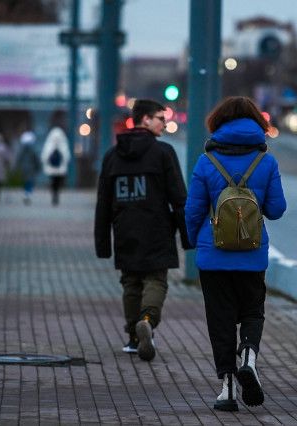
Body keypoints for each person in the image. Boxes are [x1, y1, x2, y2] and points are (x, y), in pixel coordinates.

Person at [184, 96, 287, 411]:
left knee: (221, 320)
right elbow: (277, 209)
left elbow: (193, 210)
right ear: (257, 123)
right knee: (253, 312)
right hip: (252, 255)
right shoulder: (266, 162)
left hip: (213, 257)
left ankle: (228, 390)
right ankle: (248, 358)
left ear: (218, 123)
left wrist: (195, 242)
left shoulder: (206, 161)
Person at [94, 99, 190, 362]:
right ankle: (147, 319)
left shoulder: (112, 156)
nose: (165, 124)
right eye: (161, 118)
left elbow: (103, 203)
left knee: (131, 282)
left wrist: (102, 244)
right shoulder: (163, 153)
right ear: (145, 119)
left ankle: (133, 338)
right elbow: (179, 198)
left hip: (124, 230)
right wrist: (187, 236)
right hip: (157, 230)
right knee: (155, 280)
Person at [41, 126, 70, 206]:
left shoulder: (49, 142)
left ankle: (54, 194)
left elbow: (45, 155)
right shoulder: (63, 142)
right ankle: (56, 194)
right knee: (57, 182)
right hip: (60, 168)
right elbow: (66, 156)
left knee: (53, 182)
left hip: (51, 168)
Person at [15, 130, 41, 205]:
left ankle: (26, 194)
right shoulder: (32, 150)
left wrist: (16, 167)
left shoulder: (21, 150)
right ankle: (28, 194)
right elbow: (36, 159)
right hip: (31, 168)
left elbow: (18, 159)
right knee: (30, 182)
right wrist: (38, 167)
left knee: (26, 181)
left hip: (23, 168)